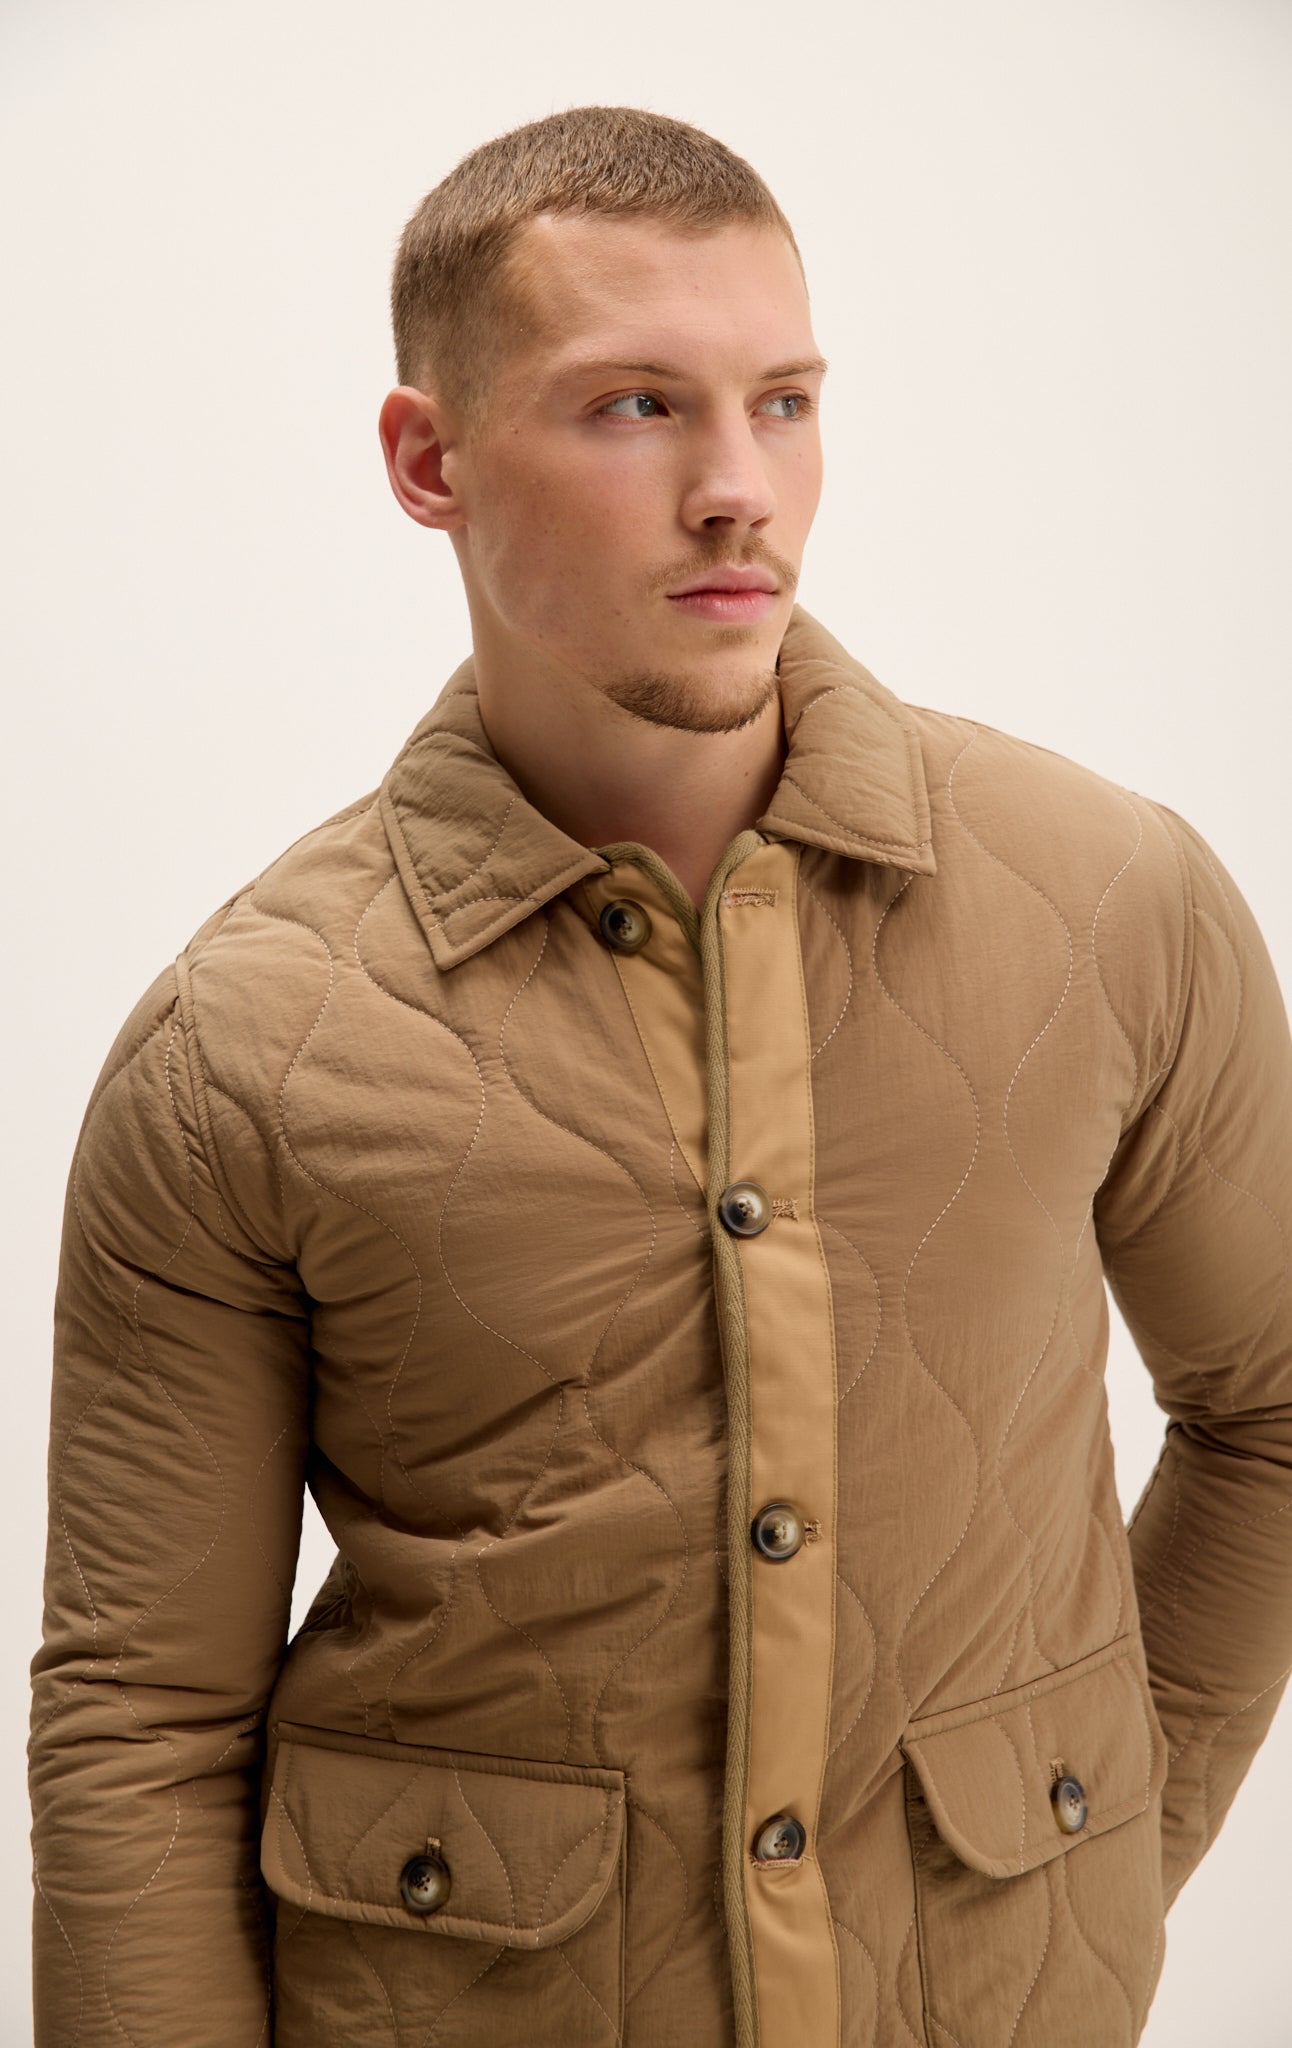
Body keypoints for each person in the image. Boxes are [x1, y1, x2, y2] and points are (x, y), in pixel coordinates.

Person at [28, 102, 1292, 2048]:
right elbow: (143, 1721)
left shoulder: (1110, 902)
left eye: (783, 403)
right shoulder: (239, 1054)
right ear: (428, 461)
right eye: (636, 407)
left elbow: (1271, 1407)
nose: (736, 490)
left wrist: (1091, 1852)